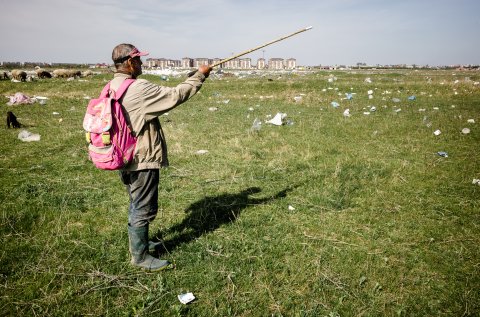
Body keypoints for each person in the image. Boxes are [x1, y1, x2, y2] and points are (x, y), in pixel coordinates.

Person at [109, 43, 212, 271]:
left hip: (122, 155)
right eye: (138, 60)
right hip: (140, 157)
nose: (141, 64)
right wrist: (200, 76)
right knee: (143, 207)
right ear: (129, 62)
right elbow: (176, 95)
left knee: (136, 202)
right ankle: (140, 257)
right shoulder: (137, 88)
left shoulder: (112, 86)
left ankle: (142, 243)